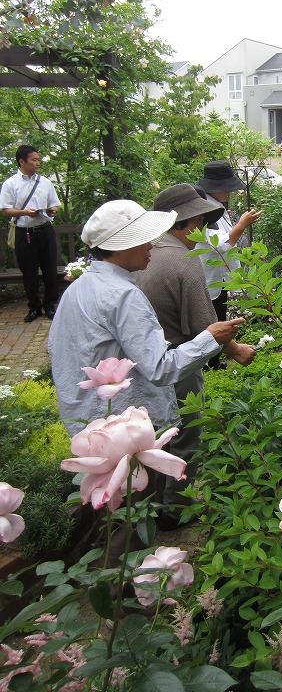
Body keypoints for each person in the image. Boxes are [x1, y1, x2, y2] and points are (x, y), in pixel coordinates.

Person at [48, 199, 244, 439]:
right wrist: (211, 338)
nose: (151, 245)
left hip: (91, 422)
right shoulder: (124, 296)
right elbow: (160, 369)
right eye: (144, 238)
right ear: (123, 246)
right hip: (126, 429)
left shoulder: (79, 287)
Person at [136, 184, 256, 526]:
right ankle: (174, 511)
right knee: (185, 437)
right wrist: (236, 349)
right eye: (199, 223)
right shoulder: (184, 262)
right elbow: (205, 325)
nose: (203, 231)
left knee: (156, 438)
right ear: (183, 224)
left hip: (147, 362)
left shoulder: (144, 255)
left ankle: (152, 508)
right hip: (180, 362)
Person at [195, 160, 262, 367]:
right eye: (226, 188)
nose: (229, 193)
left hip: (219, 274)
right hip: (210, 275)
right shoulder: (205, 210)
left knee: (219, 315)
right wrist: (242, 224)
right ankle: (208, 363)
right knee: (211, 318)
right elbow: (220, 245)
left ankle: (214, 360)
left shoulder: (218, 207)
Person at [0, 145, 61, 321]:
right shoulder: (11, 184)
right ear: (22, 161)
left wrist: (52, 210)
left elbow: (54, 203)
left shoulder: (45, 182)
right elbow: (6, 210)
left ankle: (50, 306)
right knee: (29, 272)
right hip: (24, 232)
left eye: (38, 159)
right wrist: (25, 213)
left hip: (45, 230)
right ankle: (34, 307)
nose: (37, 163)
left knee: (50, 269)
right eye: (34, 159)